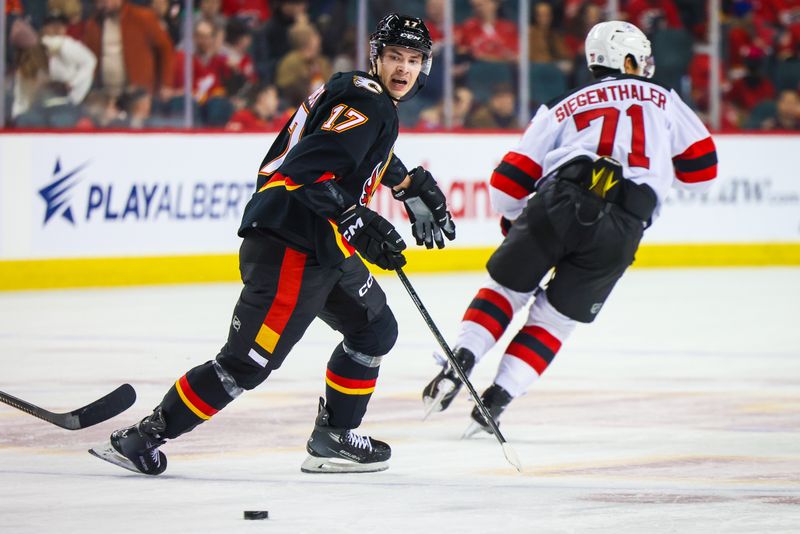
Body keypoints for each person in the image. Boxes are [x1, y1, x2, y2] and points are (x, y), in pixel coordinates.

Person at [90, 13, 455, 475]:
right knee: (245, 364)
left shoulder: (360, 95)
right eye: (395, 57)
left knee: (374, 330)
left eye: (413, 59)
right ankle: (144, 436)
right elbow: (304, 172)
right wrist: (356, 219)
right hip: (292, 244)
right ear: (376, 57)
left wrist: (405, 183)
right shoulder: (372, 103)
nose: (403, 68)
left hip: (321, 244)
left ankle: (335, 437)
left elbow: (351, 151)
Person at [422, 21, 718, 437]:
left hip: (558, 202)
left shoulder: (564, 102)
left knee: (507, 290)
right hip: (624, 224)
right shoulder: (664, 98)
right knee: (555, 321)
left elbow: (509, 180)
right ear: (628, 59)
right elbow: (703, 169)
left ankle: (461, 359)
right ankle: (496, 400)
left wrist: (515, 222)